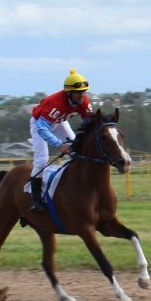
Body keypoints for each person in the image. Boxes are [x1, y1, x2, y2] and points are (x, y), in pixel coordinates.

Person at [28, 69, 93, 212]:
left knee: (78, 151)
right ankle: (36, 200)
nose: (82, 95)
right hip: (40, 124)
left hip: (60, 122)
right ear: (68, 93)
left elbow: (89, 125)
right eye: (78, 92)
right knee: (41, 160)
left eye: (84, 91)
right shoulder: (56, 103)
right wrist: (59, 145)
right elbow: (42, 129)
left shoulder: (84, 101)